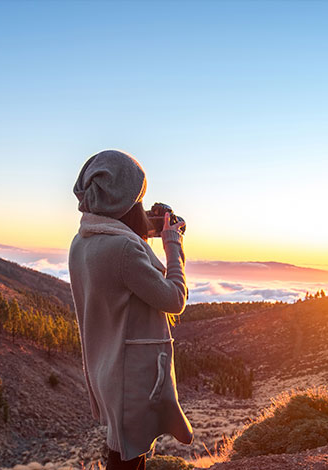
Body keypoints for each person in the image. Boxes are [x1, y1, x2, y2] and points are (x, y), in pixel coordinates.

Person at [68, 150, 193, 470]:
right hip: (131, 376)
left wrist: (146, 230)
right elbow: (175, 298)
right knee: (127, 460)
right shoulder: (122, 248)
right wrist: (172, 244)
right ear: (125, 198)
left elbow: (122, 273)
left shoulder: (83, 241)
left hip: (107, 368)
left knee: (125, 454)